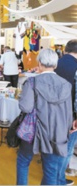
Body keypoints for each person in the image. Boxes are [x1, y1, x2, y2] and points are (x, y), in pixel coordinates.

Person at [17, 49, 72, 185]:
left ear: (40, 63)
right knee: (51, 170)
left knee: (23, 161)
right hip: (56, 133)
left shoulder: (32, 82)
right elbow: (68, 112)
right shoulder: (66, 84)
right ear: (56, 65)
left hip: (34, 132)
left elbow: (26, 107)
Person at [55, 39, 77, 185]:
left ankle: (53, 174)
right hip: (71, 114)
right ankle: (59, 178)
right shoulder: (75, 66)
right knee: (68, 147)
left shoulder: (57, 63)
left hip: (55, 111)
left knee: (57, 144)